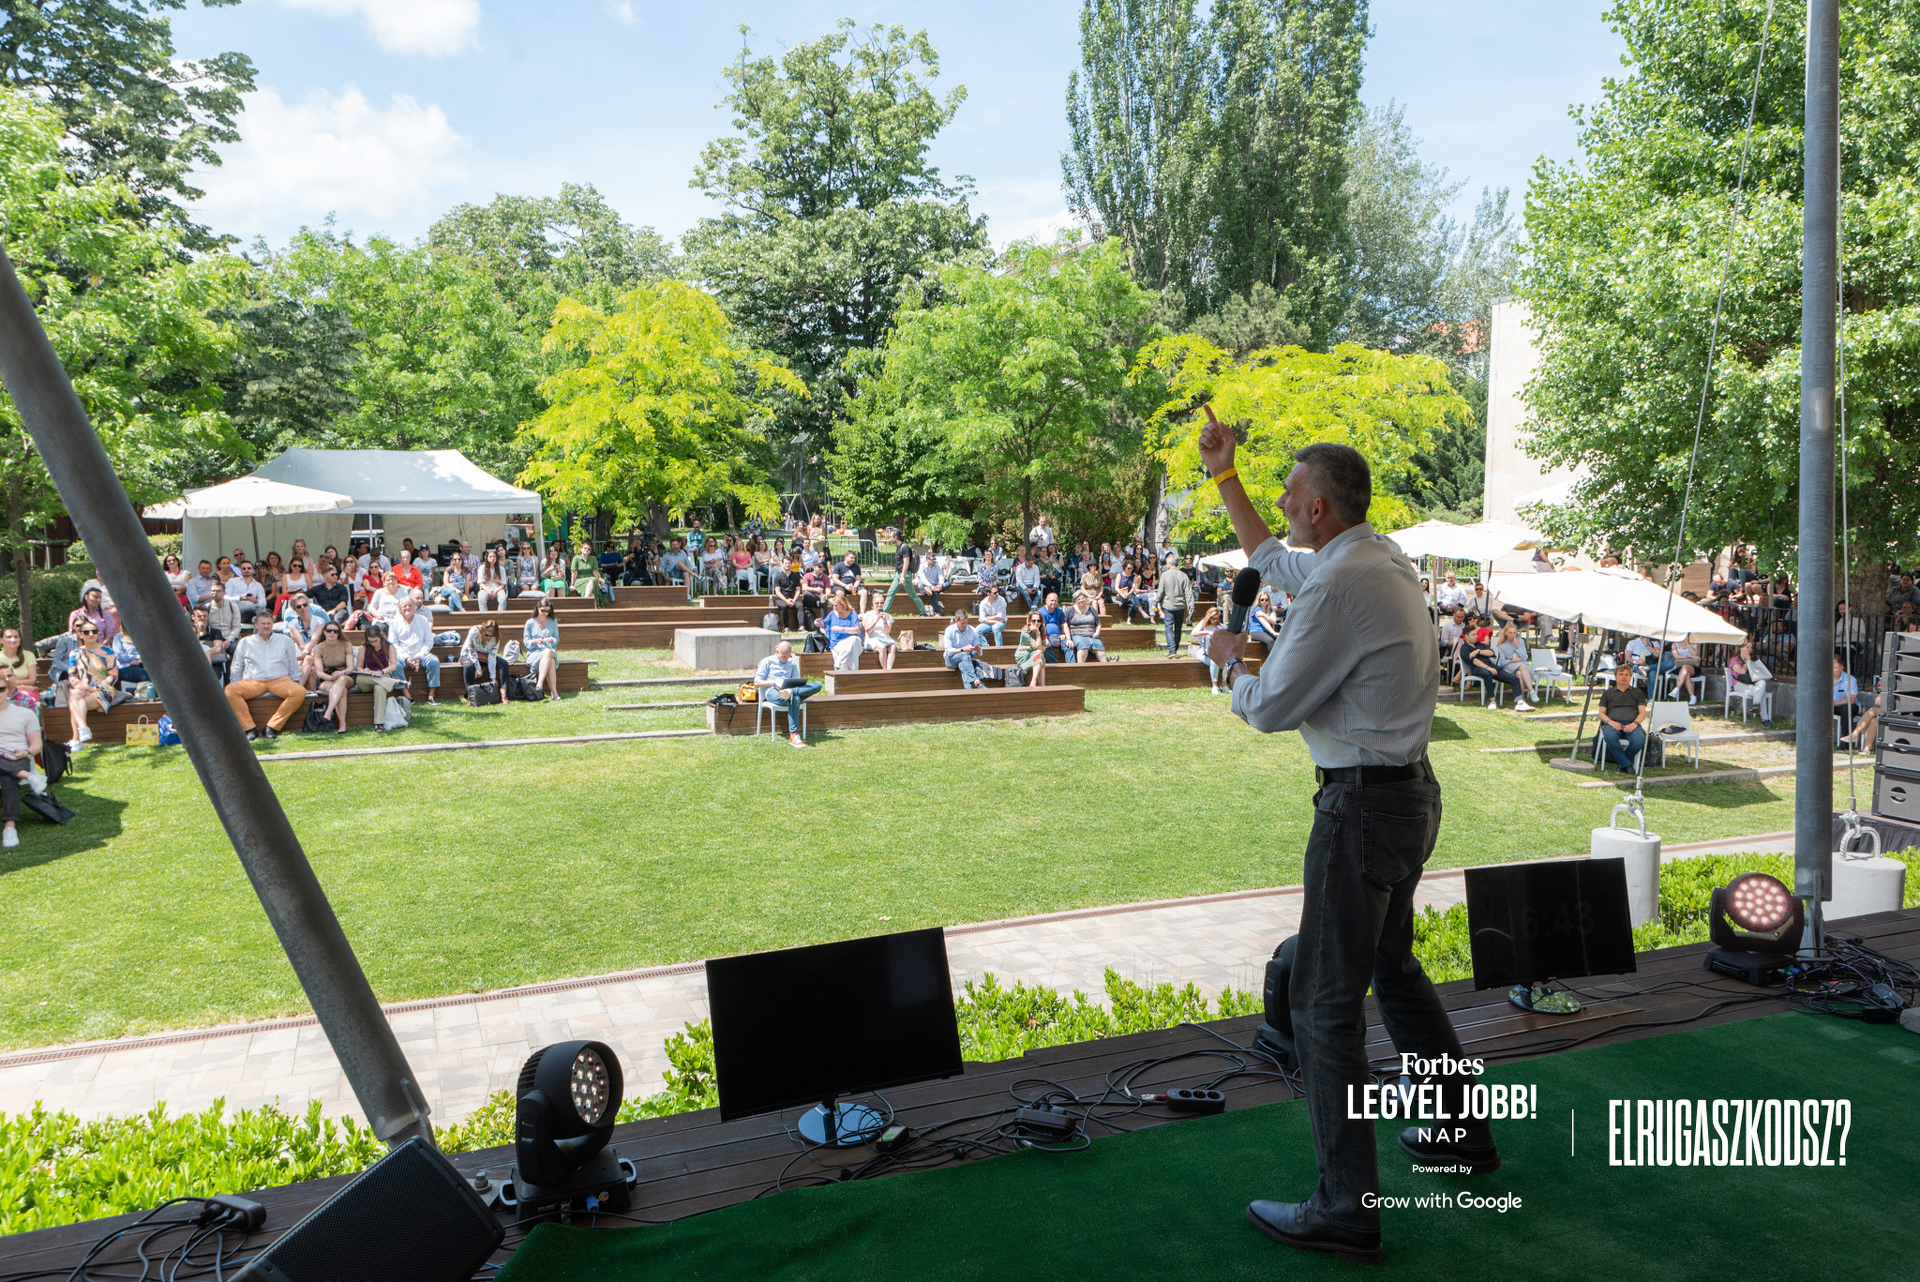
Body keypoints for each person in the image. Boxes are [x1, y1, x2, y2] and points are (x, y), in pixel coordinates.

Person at [1195, 408, 1493, 1263]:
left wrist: (1229, 659)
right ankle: (1462, 1134)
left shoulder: (1335, 587)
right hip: (1408, 798)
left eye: (1290, 494)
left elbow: (1271, 707)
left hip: (1358, 811)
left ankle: (1344, 1207)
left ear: (1319, 508)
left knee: (1325, 1007)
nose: (1284, 504)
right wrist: (1225, 476)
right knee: (1392, 969)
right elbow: (1268, 555)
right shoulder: (1376, 556)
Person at [225, 610, 307, 741]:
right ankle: (249, 729)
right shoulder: (245, 642)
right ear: (256, 625)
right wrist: (235, 682)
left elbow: (292, 662)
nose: (266, 626)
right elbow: (237, 665)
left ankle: (272, 727)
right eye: (263, 623)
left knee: (299, 691)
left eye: (269, 623)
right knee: (230, 690)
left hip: (279, 680)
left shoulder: (285, 640)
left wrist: (295, 679)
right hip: (253, 682)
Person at [0, 667, 45, 848]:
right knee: (8, 776)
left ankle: (10, 828)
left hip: (18, 756)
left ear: (7, 689)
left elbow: (37, 744)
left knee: (7, 775)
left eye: (1, 688)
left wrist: (26, 753)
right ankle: (27, 776)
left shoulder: (25, 713)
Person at [753, 640, 821, 748]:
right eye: (783, 656)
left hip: (790, 690)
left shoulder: (791, 662)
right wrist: (774, 683)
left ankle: (791, 692)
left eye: (788, 656)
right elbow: (757, 682)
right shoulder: (767, 661)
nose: (785, 659)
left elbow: (796, 680)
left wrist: (792, 688)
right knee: (796, 698)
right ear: (777, 651)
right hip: (772, 691)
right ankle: (794, 734)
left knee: (818, 685)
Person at [64, 620, 117, 748]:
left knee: (73, 703)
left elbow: (113, 676)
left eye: (94, 631)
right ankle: (83, 728)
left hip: (103, 690)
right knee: (75, 695)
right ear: (80, 634)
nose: (91, 634)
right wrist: (82, 687)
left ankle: (76, 739)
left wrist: (95, 688)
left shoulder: (107, 652)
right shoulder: (75, 653)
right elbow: (72, 675)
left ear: (98, 633)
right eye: (86, 632)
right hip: (83, 689)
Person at [1598, 663, 1650, 771]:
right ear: (1615, 676)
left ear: (1630, 677)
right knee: (1610, 737)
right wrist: (1611, 722)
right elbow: (1601, 713)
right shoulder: (1608, 693)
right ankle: (1625, 765)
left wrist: (1634, 724)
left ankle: (1622, 763)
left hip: (1632, 724)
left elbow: (1643, 713)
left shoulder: (1637, 692)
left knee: (1639, 740)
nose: (1624, 677)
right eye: (1621, 674)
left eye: (1627, 675)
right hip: (1612, 723)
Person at [390, 598, 442, 704]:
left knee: (434, 661)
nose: (407, 608)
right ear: (400, 609)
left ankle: (431, 696)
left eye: (410, 605)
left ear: (414, 607)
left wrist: (419, 656)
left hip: (421, 654)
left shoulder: (423, 620)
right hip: (402, 656)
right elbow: (393, 644)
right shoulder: (394, 622)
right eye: (404, 606)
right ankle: (407, 696)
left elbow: (429, 642)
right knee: (394, 665)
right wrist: (406, 657)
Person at [353, 622, 403, 730]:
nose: (373, 643)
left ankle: (379, 723)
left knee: (379, 688)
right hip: (366, 678)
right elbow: (358, 668)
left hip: (382, 676)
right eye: (370, 641)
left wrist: (380, 672)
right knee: (360, 678)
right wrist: (365, 670)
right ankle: (394, 682)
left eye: (375, 641)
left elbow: (393, 666)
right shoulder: (363, 647)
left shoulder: (389, 647)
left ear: (380, 637)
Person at [310, 623, 356, 733]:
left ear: (339, 633)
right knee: (342, 690)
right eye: (329, 630)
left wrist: (341, 673)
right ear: (324, 632)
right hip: (326, 677)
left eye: (335, 631)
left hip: (344, 675)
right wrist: (331, 678)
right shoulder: (319, 648)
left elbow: (350, 668)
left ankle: (328, 713)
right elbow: (320, 673)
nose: (332, 633)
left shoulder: (346, 645)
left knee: (342, 681)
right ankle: (342, 724)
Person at [1492, 623, 1539, 711]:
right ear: (1506, 633)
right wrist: (1512, 661)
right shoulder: (1502, 646)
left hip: (1521, 665)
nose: (1513, 635)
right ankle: (1531, 691)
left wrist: (1517, 646)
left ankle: (1520, 699)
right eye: (1510, 633)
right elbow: (1502, 663)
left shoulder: (1520, 642)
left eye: (1514, 633)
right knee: (1522, 666)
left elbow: (1524, 657)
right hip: (1509, 666)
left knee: (1519, 673)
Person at [522, 598, 562, 700]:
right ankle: (554, 694)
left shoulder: (553, 621)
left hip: (549, 649)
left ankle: (540, 683)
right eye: (543, 610)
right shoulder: (530, 622)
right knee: (551, 661)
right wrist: (535, 641)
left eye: (548, 611)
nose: (545, 613)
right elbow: (526, 642)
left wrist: (551, 639)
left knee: (548, 652)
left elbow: (556, 638)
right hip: (535, 652)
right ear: (538, 608)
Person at [1156, 556, 1196, 656]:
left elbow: (1160, 591)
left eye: (1166, 563)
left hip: (1168, 605)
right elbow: (1188, 592)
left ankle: (1172, 650)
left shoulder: (1164, 575)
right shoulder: (1183, 575)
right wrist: (1190, 605)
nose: (1166, 565)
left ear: (1170, 564)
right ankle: (1175, 648)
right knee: (1178, 628)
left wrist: (1156, 601)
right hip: (1180, 606)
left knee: (1168, 627)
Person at [942, 610, 987, 689]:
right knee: (965, 655)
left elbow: (978, 653)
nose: (965, 625)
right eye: (962, 623)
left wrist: (977, 650)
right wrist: (963, 649)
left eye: (966, 622)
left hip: (966, 660)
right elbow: (949, 652)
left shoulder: (973, 631)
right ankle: (976, 680)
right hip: (951, 660)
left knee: (963, 665)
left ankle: (968, 690)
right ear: (956, 621)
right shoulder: (949, 630)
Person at [821, 593, 865, 672]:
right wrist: (817, 622)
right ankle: (846, 672)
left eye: (836, 606)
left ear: (843, 605)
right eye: (833, 605)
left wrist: (841, 629)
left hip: (851, 642)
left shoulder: (852, 614)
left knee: (854, 640)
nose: (834, 608)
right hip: (837, 643)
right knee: (850, 651)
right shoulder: (832, 613)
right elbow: (824, 623)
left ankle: (839, 662)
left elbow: (856, 630)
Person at [883, 541, 928, 616]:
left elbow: (906, 563)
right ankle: (883, 611)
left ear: (895, 537)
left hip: (905, 575)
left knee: (912, 594)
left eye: (891, 536)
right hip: (898, 574)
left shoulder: (905, 548)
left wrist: (903, 576)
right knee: (891, 592)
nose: (890, 538)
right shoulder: (899, 547)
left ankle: (923, 612)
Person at [461, 618, 508, 689]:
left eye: (491, 636)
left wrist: (493, 677)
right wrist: (478, 667)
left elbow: (492, 656)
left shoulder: (496, 638)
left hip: (485, 656)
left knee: (504, 663)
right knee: (468, 667)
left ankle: (503, 690)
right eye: (486, 635)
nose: (488, 638)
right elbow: (471, 650)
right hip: (469, 653)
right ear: (482, 630)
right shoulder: (474, 632)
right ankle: (470, 692)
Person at [1191, 606, 1227, 693]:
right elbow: (1193, 634)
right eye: (1213, 619)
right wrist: (1206, 632)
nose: (1215, 621)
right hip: (1203, 652)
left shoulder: (1221, 627)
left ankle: (1224, 684)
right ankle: (1214, 686)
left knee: (1227, 662)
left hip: (1218, 652)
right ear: (1209, 617)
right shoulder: (1203, 624)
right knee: (1214, 661)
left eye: (1217, 618)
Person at [0, 628, 37, 709]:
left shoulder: (28, 655)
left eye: (16, 637)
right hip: (2, 691)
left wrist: (15, 686)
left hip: (26, 692)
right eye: (9, 637)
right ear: (1, 640)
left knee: (29, 699)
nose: (13, 640)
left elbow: (32, 680)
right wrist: (22, 686)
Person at [192, 606, 229, 683]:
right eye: (199, 616)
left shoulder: (215, 632)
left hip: (214, 662)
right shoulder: (189, 631)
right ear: (193, 617)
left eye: (205, 616)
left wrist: (202, 651)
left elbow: (218, 649)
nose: (202, 618)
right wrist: (198, 632)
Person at [1066, 592, 1106, 663]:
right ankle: (1080, 667)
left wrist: (1097, 633)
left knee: (1100, 649)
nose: (1081, 600)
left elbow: (1098, 623)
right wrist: (1067, 637)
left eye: (1082, 598)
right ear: (1075, 600)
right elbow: (1065, 624)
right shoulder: (1070, 610)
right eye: (1079, 599)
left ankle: (1106, 667)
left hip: (1092, 635)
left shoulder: (1091, 609)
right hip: (1077, 634)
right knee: (1083, 647)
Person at [859, 603, 898, 670]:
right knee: (882, 648)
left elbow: (887, 632)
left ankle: (889, 670)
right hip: (872, 638)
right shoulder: (868, 615)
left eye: (881, 603)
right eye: (877, 603)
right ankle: (885, 670)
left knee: (893, 646)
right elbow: (868, 631)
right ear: (873, 604)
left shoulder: (888, 616)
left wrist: (885, 620)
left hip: (885, 638)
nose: (879, 605)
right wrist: (876, 620)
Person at [1013, 612, 1049, 687]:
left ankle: (1040, 685)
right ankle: (1035, 682)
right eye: (1033, 620)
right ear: (1029, 621)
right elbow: (1038, 647)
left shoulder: (1043, 630)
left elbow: (1043, 648)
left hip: (1034, 654)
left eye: (1039, 621)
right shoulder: (1025, 631)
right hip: (1023, 655)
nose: (1036, 623)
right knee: (1039, 654)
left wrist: (1037, 632)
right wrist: (1038, 634)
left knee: (1039, 655)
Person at [1037, 590, 1071, 664]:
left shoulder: (1059, 612)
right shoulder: (1041, 612)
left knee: (1069, 645)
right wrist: (1045, 639)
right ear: (1046, 601)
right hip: (1046, 636)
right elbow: (1041, 628)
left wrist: (1068, 639)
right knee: (1044, 645)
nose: (1053, 602)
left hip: (1059, 636)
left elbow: (1065, 625)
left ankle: (1071, 665)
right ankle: (1055, 664)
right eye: (1052, 600)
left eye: (1055, 601)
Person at [772, 560, 807, 631]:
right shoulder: (778, 576)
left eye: (789, 563)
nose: (787, 565)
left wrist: (794, 599)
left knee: (800, 606)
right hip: (781, 599)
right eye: (786, 563)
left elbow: (798, 590)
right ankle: (786, 627)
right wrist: (786, 600)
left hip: (793, 598)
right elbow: (777, 592)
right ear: (782, 564)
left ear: (791, 564)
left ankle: (801, 627)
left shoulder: (795, 576)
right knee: (784, 606)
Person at [1833, 656, 1861, 738]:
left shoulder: (1850, 679)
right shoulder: (1825, 679)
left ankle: (1845, 740)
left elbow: (1851, 700)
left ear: (1841, 668)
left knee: (1846, 709)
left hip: (1848, 706)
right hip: (1831, 705)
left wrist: (1834, 703)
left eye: (1834, 668)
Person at [1670, 637, 1702, 705]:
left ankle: (1677, 688)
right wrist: (1689, 656)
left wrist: (1688, 645)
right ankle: (1692, 697)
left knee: (1685, 668)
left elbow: (1695, 654)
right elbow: (1676, 656)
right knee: (1686, 674)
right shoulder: (1675, 644)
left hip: (1693, 666)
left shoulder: (1694, 644)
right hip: (1680, 667)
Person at [976, 582, 1009, 647]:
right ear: (988, 594)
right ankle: (986, 647)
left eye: (998, 592)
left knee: (995, 628)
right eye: (995, 593)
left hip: (1000, 624)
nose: (997, 594)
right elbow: (982, 619)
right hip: (993, 623)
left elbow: (1000, 616)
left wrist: (987, 618)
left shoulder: (1001, 600)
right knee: (976, 630)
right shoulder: (983, 603)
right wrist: (997, 621)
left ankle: (999, 648)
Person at [915, 550, 946, 615]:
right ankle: (936, 612)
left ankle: (932, 590)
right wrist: (930, 586)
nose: (934, 561)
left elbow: (940, 576)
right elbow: (923, 579)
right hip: (924, 585)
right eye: (932, 559)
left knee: (948, 583)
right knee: (932, 591)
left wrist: (940, 584)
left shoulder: (937, 566)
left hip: (935, 586)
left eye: (935, 559)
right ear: (927, 559)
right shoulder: (922, 566)